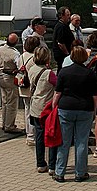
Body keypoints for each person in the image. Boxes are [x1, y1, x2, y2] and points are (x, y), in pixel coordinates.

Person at [52, 44, 97, 183]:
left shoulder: (64, 72)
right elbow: (95, 95)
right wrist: (95, 110)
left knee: (64, 142)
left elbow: (57, 93)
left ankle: (60, 172)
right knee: (81, 142)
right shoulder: (89, 73)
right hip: (85, 109)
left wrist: (54, 106)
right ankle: (81, 172)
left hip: (66, 108)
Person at [29, 45, 58, 174]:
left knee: (39, 136)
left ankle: (40, 163)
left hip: (35, 105)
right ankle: (52, 165)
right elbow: (58, 85)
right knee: (51, 135)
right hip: (47, 107)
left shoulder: (32, 69)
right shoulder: (48, 73)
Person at [0, 33, 23, 134]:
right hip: (10, 78)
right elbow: (19, 66)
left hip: (1, 77)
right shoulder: (15, 53)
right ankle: (10, 126)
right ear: (16, 42)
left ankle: (4, 123)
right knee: (12, 103)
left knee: (4, 101)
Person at [17, 35, 40, 145]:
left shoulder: (21, 56)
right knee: (33, 111)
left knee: (27, 110)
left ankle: (28, 134)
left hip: (22, 86)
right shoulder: (35, 58)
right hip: (32, 87)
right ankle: (32, 135)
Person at [52, 6, 74, 70]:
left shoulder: (65, 25)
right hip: (62, 55)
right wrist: (67, 53)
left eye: (69, 15)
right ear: (62, 15)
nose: (69, 17)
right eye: (67, 15)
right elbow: (60, 43)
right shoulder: (61, 27)